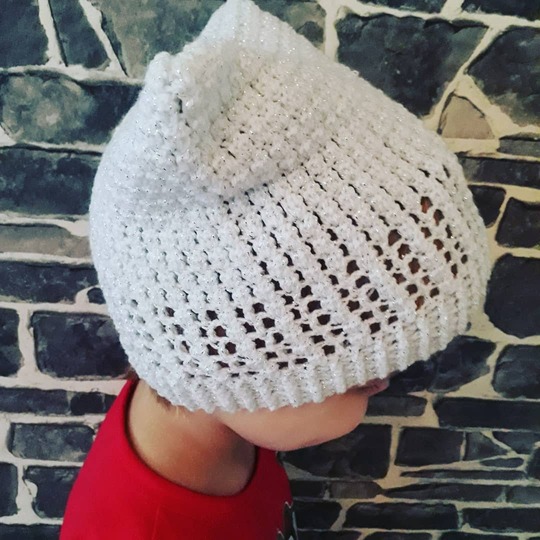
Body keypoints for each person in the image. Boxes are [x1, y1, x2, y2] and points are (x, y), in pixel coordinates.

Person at [60, 0, 490, 538]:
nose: (387, 378)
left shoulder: (222, 412)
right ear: (235, 348)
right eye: (355, 371)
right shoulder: (132, 529)